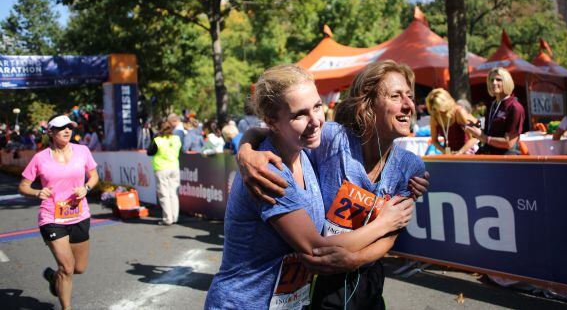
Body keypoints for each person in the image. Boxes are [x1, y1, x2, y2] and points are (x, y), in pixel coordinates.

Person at [205, 64, 414, 309]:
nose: (315, 121)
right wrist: (385, 223)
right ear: (272, 121)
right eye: (299, 114)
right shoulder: (269, 172)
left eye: (317, 106)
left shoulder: (305, 153)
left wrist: (245, 147)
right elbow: (317, 249)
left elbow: (261, 132)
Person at [18, 115, 99, 310]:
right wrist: (37, 192)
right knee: (67, 268)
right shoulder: (40, 158)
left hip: (79, 215)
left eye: (69, 127)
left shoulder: (82, 151)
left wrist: (86, 188)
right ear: (51, 132)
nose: (67, 130)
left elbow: (94, 175)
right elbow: (23, 186)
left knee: (79, 268)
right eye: (61, 127)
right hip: (52, 218)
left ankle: (54, 277)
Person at [465, 67, 525, 155]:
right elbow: (489, 133)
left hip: (506, 160)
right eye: (491, 80)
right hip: (489, 156)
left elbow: (509, 143)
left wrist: (484, 137)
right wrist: (475, 129)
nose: (494, 83)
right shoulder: (492, 105)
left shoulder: (515, 107)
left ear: (506, 82)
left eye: (498, 80)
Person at [425, 88, 479, 155]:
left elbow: (474, 138)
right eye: (434, 109)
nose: (438, 112)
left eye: (439, 108)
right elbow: (434, 140)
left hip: (467, 150)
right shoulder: (435, 116)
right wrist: (444, 151)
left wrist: (460, 152)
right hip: (450, 153)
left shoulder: (459, 112)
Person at [147, 121, 182, 225]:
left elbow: (149, 152)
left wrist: (155, 137)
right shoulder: (176, 139)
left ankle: (167, 219)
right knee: (173, 194)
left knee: (164, 194)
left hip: (161, 168)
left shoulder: (158, 140)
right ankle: (175, 217)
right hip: (174, 167)